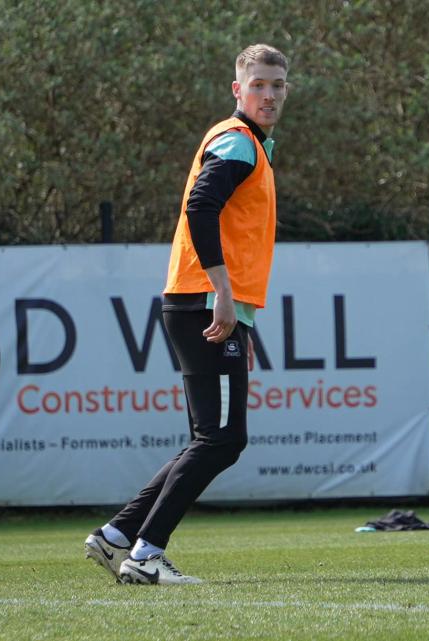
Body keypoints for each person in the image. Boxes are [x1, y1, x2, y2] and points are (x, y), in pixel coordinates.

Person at [83, 44, 289, 585]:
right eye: (259, 84)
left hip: (205, 302)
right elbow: (201, 206)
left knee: (211, 438)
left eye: (278, 85)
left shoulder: (254, 146)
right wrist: (223, 293)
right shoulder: (238, 142)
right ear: (237, 89)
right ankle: (146, 553)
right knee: (221, 440)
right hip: (203, 300)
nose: (269, 94)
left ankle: (119, 536)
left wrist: (235, 310)